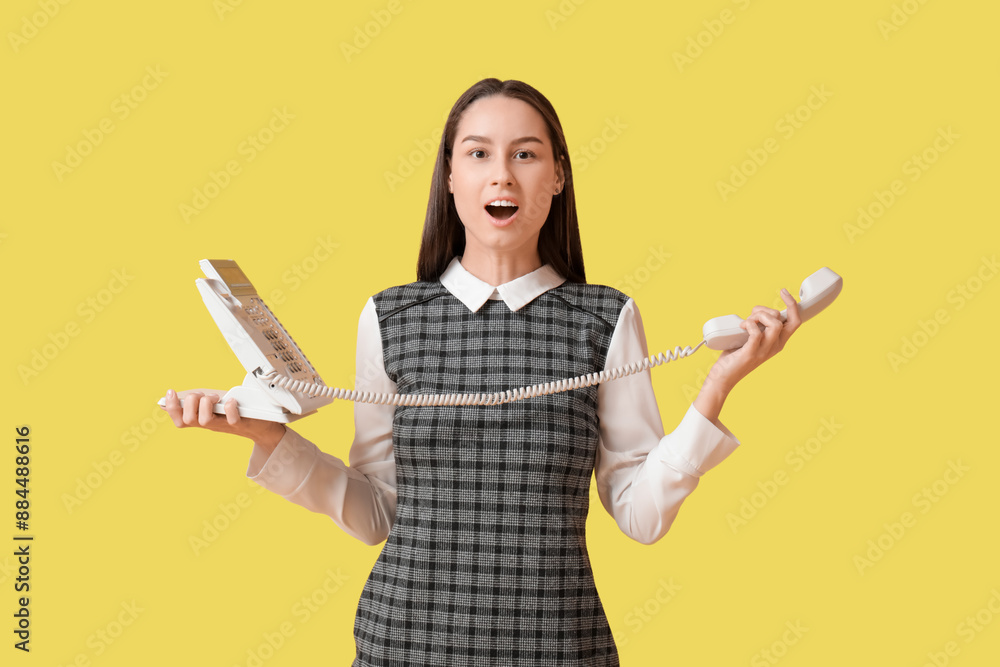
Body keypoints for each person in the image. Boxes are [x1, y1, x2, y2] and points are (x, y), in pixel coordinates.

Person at [162, 78, 801, 666]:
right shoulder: (391, 317)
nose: (503, 175)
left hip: (556, 648)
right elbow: (376, 513)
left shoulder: (606, 318)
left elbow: (640, 516)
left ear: (558, 177)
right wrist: (268, 438)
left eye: (526, 155)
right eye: (478, 154)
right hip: (404, 644)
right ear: (449, 177)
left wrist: (717, 388)